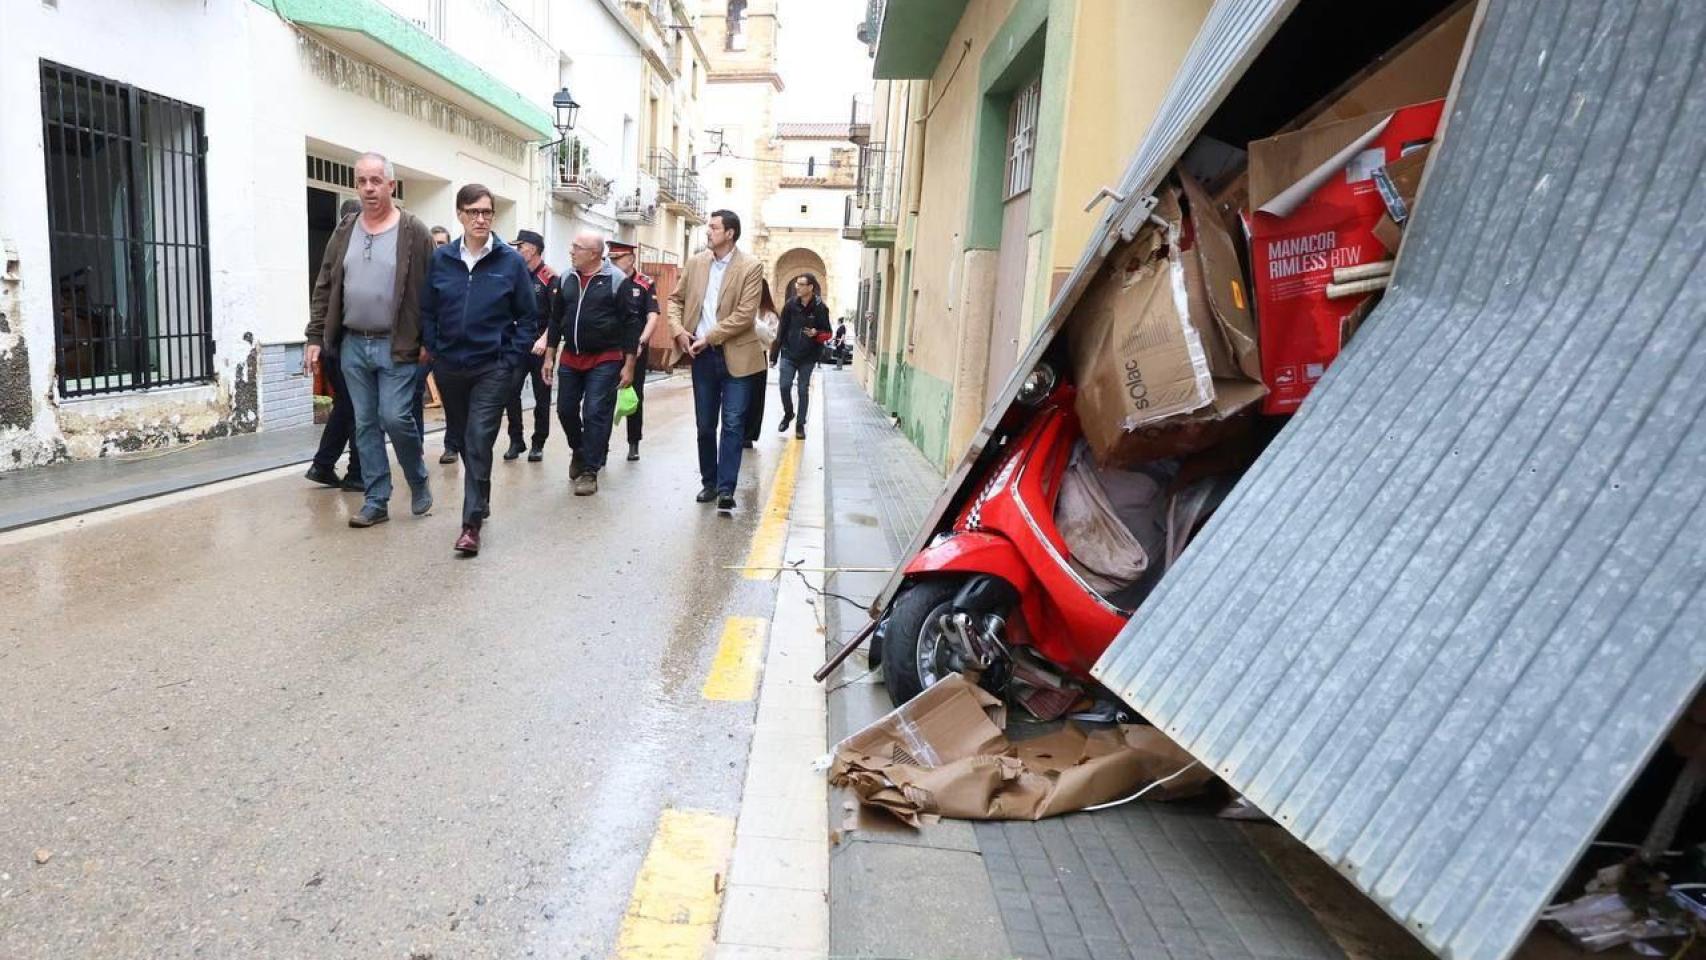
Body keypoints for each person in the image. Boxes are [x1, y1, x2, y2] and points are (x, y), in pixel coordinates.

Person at [303, 153, 435, 529]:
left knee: (394, 417)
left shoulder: (415, 231)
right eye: (361, 181)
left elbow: (431, 290)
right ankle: (376, 499)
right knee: (363, 424)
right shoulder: (345, 230)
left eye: (376, 181)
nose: (368, 188)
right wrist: (315, 335)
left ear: (391, 185)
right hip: (352, 345)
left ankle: (417, 477)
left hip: (398, 345)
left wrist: (430, 341)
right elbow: (325, 284)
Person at [420, 183, 539, 555]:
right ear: (460, 214)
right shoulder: (441, 260)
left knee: (478, 437)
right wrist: (436, 349)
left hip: (493, 368)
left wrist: (510, 358)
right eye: (473, 212)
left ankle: (470, 524)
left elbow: (527, 316)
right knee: (461, 435)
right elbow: (427, 310)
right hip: (450, 366)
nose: (481, 218)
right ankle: (481, 497)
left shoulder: (510, 261)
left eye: (487, 212)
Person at [668, 210, 764, 511]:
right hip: (702, 357)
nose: (708, 232)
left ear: (730, 233)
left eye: (713, 227)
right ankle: (709, 483)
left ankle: (726, 489)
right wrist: (679, 330)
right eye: (709, 227)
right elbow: (675, 300)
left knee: (733, 423)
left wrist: (709, 336)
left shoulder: (750, 267)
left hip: (736, 356)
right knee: (705, 425)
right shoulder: (696, 263)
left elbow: (745, 314)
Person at [541, 231, 638, 496]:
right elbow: (555, 319)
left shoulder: (616, 281)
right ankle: (580, 450)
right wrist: (549, 355)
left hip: (605, 357)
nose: (571, 251)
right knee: (564, 409)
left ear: (594, 253)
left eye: (577, 247)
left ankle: (589, 471)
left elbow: (631, 324)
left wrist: (629, 364)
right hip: (571, 356)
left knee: (595, 411)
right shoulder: (565, 278)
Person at [305, 199, 367, 493]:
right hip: (346, 343)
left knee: (347, 406)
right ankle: (356, 472)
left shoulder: (336, 249)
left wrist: (315, 337)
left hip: (333, 344)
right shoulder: (351, 250)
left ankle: (324, 464)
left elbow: (321, 292)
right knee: (358, 408)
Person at [503, 229, 558, 463]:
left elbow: (558, 317)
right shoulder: (516, 274)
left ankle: (538, 442)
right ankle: (516, 440)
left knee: (541, 396)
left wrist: (545, 340)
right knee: (510, 390)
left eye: (520, 246)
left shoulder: (550, 278)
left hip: (541, 345)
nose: (517, 251)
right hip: (518, 344)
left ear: (533, 249)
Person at [606, 240, 659, 462]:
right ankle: (601, 445)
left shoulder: (644, 283)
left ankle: (633, 442)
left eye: (617, 259)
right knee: (604, 397)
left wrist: (642, 342)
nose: (613, 263)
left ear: (630, 259)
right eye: (611, 259)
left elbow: (652, 315)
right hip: (609, 346)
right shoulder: (607, 280)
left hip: (635, 347)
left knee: (634, 395)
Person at [775, 273, 833, 439]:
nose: (797, 287)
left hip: (808, 356)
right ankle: (788, 414)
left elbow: (828, 333)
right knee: (784, 386)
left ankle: (800, 425)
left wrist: (816, 333)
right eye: (796, 284)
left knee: (802, 390)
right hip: (788, 353)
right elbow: (781, 329)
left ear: (810, 287)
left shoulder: (820, 307)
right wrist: (774, 354)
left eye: (801, 284)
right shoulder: (790, 305)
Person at [412, 226, 452, 447]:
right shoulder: (421, 273)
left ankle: (451, 446)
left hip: (448, 345)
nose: (437, 248)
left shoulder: (454, 273)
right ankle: (416, 446)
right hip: (424, 347)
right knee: (415, 392)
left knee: (451, 397)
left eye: (442, 243)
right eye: (434, 243)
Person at [745, 279, 782, 449]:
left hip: (758, 356)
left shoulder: (769, 315)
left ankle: (749, 434)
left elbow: (769, 337)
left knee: (755, 396)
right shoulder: (741, 308)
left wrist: (753, 320)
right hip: (738, 355)